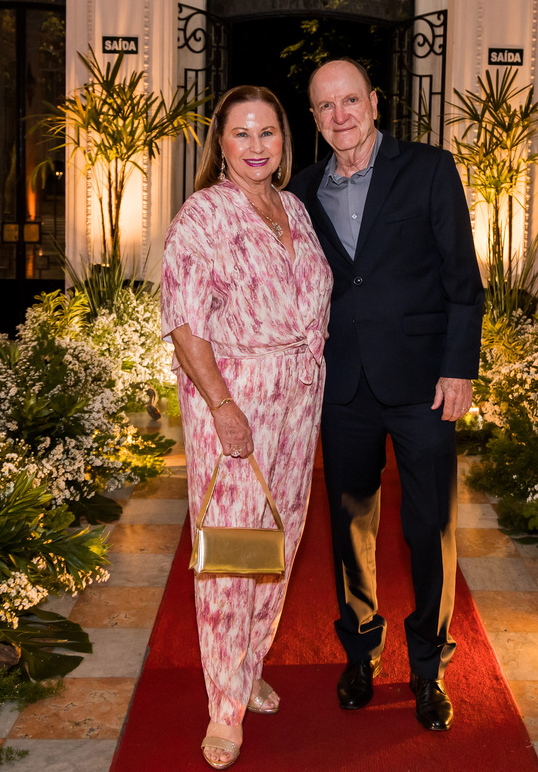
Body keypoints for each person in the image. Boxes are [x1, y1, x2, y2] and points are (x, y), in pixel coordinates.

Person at [287, 59, 484, 732]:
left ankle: (428, 666)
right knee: (349, 526)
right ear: (313, 119)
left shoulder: (430, 169)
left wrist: (458, 369)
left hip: (424, 383)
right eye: (324, 106)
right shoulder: (302, 189)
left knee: (429, 528)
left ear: (374, 101)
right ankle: (360, 651)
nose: (339, 115)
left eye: (349, 100)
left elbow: (464, 279)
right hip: (342, 386)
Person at [161, 85, 333, 770]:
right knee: (232, 554)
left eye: (268, 133)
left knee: (280, 544)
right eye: (242, 134)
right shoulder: (202, 215)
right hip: (235, 404)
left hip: (298, 403)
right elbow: (184, 324)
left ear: (283, 142)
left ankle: (246, 663)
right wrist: (225, 407)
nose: (257, 146)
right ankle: (222, 708)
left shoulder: (293, 207)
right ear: (220, 145)